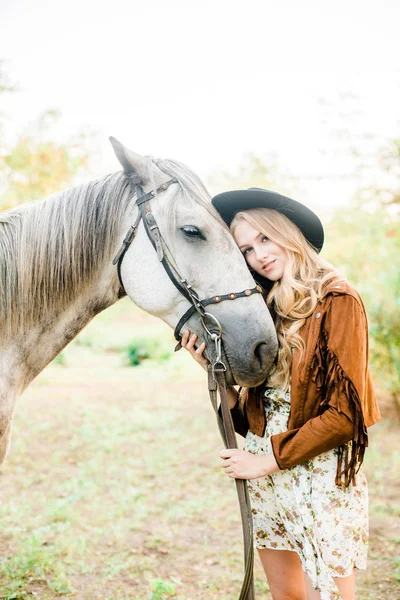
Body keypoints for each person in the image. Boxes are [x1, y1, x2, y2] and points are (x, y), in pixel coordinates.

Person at [181, 188, 381, 600]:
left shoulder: (338, 299)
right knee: (287, 596)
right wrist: (217, 376)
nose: (260, 255)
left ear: (286, 232)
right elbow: (254, 416)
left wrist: (265, 461)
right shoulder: (265, 308)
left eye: (265, 239)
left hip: (320, 475)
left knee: (332, 597)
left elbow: (347, 415)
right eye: (248, 249)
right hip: (267, 472)